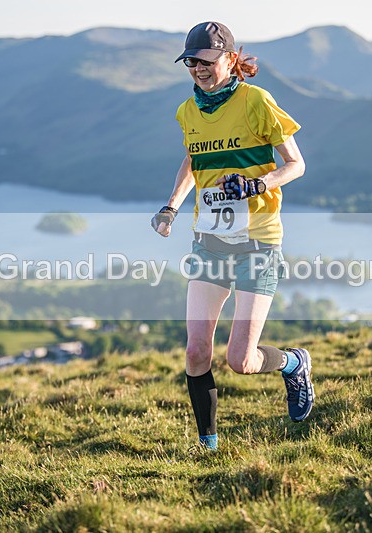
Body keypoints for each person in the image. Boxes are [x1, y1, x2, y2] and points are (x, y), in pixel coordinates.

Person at [151, 21, 313, 451]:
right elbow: (192, 161)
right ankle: (208, 447)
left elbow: (296, 164)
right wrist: (171, 206)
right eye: (190, 62)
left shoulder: (256, 101)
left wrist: (261, 184)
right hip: (209, 241)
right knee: (196, 351)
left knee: (241, 360)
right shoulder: (188, 112)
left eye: (205, 61)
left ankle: (294, 363)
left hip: (257, 241)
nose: (198, 70)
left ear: (229, 57)